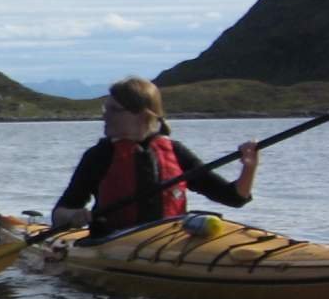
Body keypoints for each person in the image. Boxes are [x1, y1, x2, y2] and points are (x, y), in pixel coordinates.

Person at [51, 76, 258, 235]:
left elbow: (234, 198)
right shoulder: (99, 155)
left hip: (168, 241)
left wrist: (249, 168)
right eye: (105, 108)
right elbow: (59, 213)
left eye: (114, 110)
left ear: (143, 115)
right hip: (113, 241)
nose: (105, 115)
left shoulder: (175, 152)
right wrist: (75, 216)